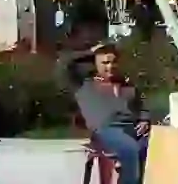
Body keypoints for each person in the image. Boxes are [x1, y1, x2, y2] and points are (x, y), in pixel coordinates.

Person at [59, 36, 151, 184]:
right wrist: (91, 52)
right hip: (105, 130)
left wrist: (145, 119)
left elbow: (143, 105)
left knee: (158, 145)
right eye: (105, 62)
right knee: (130, 149)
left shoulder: (127, 85)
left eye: (114, 62)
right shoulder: (84, 85)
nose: (110, 66)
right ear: (95, 64)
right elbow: (65, 63)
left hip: (132, 129)